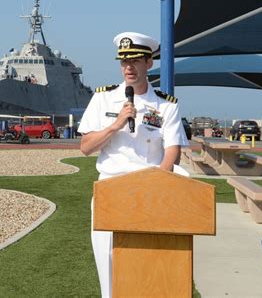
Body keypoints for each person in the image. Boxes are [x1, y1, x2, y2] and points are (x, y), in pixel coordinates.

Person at [78, 32, 189, 297]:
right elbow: (85, 148)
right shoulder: (103, 99)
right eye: (124, 62)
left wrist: (156, 187)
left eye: (136, 61)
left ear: (149, 63)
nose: (128, 67)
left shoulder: (165, 105)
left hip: (151, 191)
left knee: (149, 264)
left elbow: (172, 152)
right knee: (108, 264)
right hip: (110, 190)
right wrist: (116, 124)